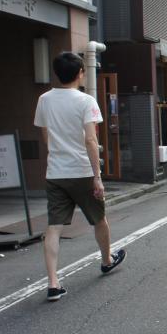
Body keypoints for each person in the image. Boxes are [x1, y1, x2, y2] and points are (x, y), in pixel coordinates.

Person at [33, 52, 127, 301]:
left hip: (55, 172)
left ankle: (53, 283)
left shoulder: (44, 100)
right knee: (99, 219)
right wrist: (97, 176)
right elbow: (90, 139)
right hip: (82, 171)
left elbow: (45, 136)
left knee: (53, 228)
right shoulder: (86, 101)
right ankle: (107, 260)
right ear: (80, 73)